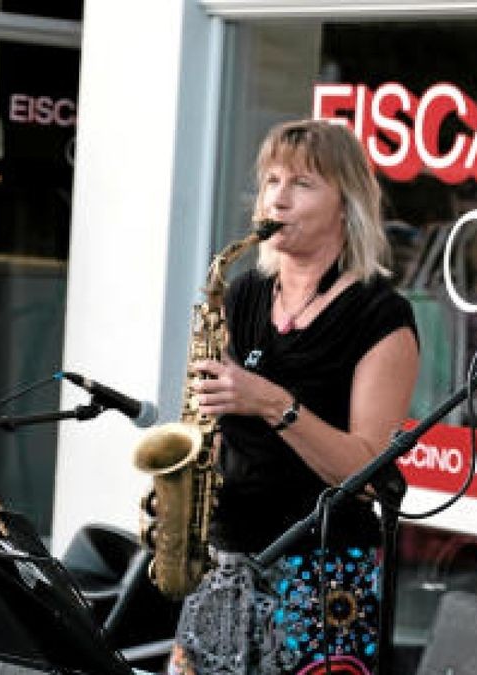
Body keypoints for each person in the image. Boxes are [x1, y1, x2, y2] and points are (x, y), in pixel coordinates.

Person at [170, 119, 421, 675]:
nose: (277, 198)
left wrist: (270, 403)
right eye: (271, 181)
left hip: (322, 573)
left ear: (345, 203)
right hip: (226, 559)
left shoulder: (382, 315)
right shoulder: (243, 293)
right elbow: (211, 426)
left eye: (302, 184)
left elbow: (363, 469)